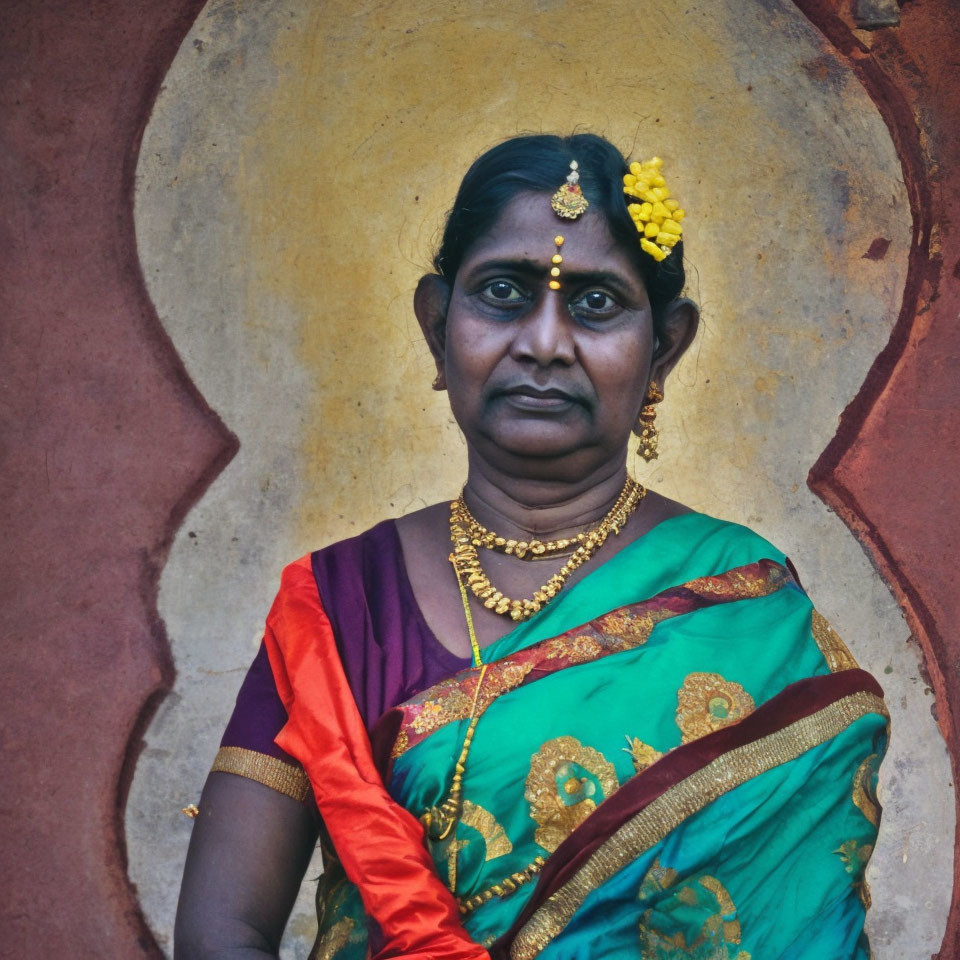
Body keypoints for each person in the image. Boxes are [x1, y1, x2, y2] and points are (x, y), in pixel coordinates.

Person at [175, 133, 887, 960]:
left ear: (665, 347)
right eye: (504, 292)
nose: (544, 342)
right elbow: (223, 930)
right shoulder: (337, 604)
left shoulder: (747, 605)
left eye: (595, 304)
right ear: (438, 325)